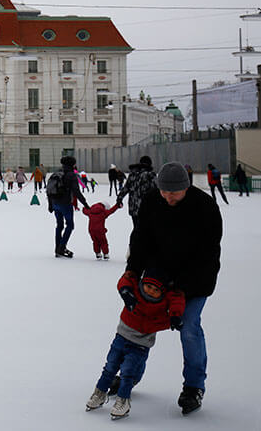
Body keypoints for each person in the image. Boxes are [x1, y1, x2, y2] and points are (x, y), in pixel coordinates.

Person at [126, 161, 222, 415]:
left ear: (186, 188)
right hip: (158, 277)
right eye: (164, 191)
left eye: (174, 192)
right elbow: (140, 239)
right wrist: (132, 273)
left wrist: (182, 289)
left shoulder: (204, 207)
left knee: (189, 327)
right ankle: (129, 375)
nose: (168, 197)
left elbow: (208, 254)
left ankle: (193, 386)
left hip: (195, 281)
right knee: (138, 323)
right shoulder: (151, 201)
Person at [85, 269, 185, 420]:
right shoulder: (135, 293)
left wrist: (175, 316)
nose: (151, 292)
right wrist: (125, 291)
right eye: (149, 287)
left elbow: (177, 299)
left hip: (140, 345)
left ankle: (123, 401)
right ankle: (99, 393)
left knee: (127, 374)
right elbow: (126, 278)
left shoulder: (162, 304)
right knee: (109, 368)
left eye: (156, 290)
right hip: (121, 337)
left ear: (162, 292)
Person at [46, 156, 89, 258]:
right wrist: (86, 204)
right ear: (73, 165)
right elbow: (76, 192)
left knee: (59, 225)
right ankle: (62, 247)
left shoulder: (56, 174)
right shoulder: (71, 175)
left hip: (55, 203)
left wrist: (50, 204)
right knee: (70, 225)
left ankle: (57, 248)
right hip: (65, 204)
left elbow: (49, 190)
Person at [116, 156, 157, 227]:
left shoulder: (133, 174)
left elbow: (126, 188)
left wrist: (119, 198)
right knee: (146, 230)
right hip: (146, 209)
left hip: (134, 208)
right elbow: (157, 191)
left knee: (137, 229)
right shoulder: (150, 175)